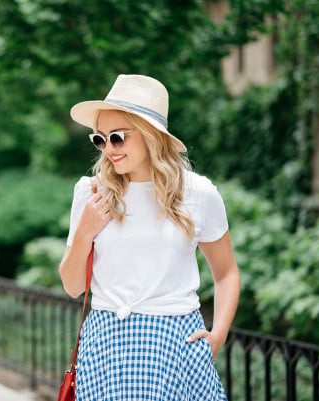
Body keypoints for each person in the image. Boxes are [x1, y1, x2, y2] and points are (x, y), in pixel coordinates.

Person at [59, 74, 240, 400]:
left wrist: (219, 334)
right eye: (99, 140)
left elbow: (226, 273)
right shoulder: (91, 193)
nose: (108, 149)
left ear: (150, 134)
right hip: (104, 347)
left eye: (117, 137)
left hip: (174, 347)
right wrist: (85, 232)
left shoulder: (197, 193)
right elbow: (72, 286)